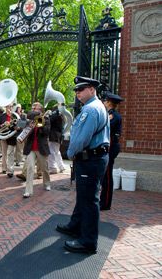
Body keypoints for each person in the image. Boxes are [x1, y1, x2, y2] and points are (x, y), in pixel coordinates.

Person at [56, 76, 109, 254]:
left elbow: (81, 139)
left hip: (90, 159)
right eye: (76, 90)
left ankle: (87, 241)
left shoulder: (91, 110)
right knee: (84, 196)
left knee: (88, 200)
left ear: (92, 89)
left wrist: (70, 153)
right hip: (93, 159)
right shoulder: (93, 107)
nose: (78, 93)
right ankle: (75, 225)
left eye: (82, 89)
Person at [22, 102, 51, 198]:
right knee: (30, 168)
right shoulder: (30, 120)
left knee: (44, 168)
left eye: (37, 109)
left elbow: (46, 132)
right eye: (33, 109)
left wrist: (40, 124)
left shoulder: (46, 119)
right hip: (30, 147)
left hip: (41, 147)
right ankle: (28, 191)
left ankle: (47, 183)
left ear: (41, 111)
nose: (34, 110)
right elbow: (24, 130)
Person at [100, 92, 123, 211]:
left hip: (111, 147)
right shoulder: (108, 114)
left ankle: (105, 203)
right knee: (104, 176)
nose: (103, 102)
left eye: (104, 101)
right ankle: (103, 201)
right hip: (109, 147)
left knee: (107, 177)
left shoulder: (113, 115)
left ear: (109, 102)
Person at [0, 104, 17, 177]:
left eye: (11, 107)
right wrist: (3, 125)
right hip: (4, 136)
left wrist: (13, 125)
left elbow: (19, 125)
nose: (10, 108)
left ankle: (10, 171)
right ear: (5, 107)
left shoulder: (15, 116)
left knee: (10, 153)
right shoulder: (2, 116)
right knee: (4, 153)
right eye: (8, 107)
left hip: (12, 136)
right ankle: (4, 168)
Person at [48, 105, 66, 174]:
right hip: (58, 136)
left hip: (53, 135)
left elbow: (50, 120)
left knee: (51, 152)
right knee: (57, 152)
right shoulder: (61, 115)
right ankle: (61, 167)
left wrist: (49, 115)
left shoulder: (55, 114)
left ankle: (53, 168)